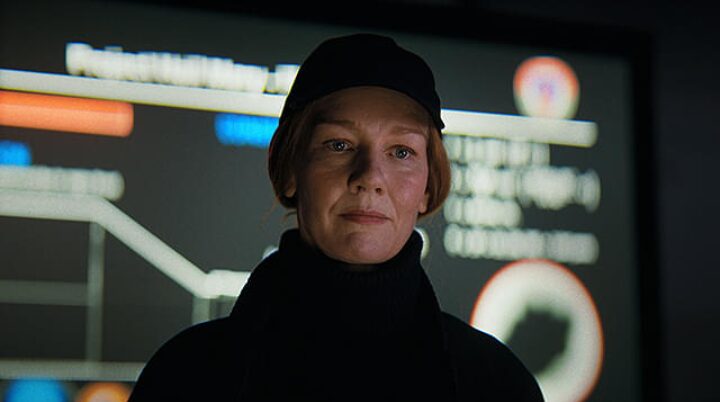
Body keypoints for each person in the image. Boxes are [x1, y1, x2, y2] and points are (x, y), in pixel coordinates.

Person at [128, 33, 544, 402]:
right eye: (339, 145)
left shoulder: (496, 384)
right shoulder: (186, 375)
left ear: (428, 186)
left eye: (401, 152)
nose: (370, 177)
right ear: (289, 169)